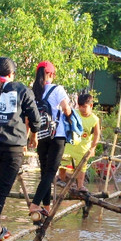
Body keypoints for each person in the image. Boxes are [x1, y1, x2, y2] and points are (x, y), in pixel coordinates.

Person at [0, 57, 42, 241]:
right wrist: (33, 134)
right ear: (12, 73)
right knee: (0, 193)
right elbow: (36, 119)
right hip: (13, 148)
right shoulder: (22, 89)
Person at [28, 61, 74, 222]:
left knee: (44, 172)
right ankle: (35, 204)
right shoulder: (57, 89)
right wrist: (70, 117)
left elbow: (29, 117)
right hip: (57, 135)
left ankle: (46, 207)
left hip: (41, 135)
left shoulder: (34, 92)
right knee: (50, 172)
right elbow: (66, 109)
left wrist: (31, 136)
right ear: (51, 74)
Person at [58, 92, 100, 192]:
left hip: (83, 148)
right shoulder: (74, 113)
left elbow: (96, 135)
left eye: (84, 107)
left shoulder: (94, 119)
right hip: (70, 145)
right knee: (63, 163)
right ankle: (61, 179)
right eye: (80, 106)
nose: (82, 109)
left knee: (82, 168)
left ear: (91, 105)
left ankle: (80, 186)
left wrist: (93, 148)